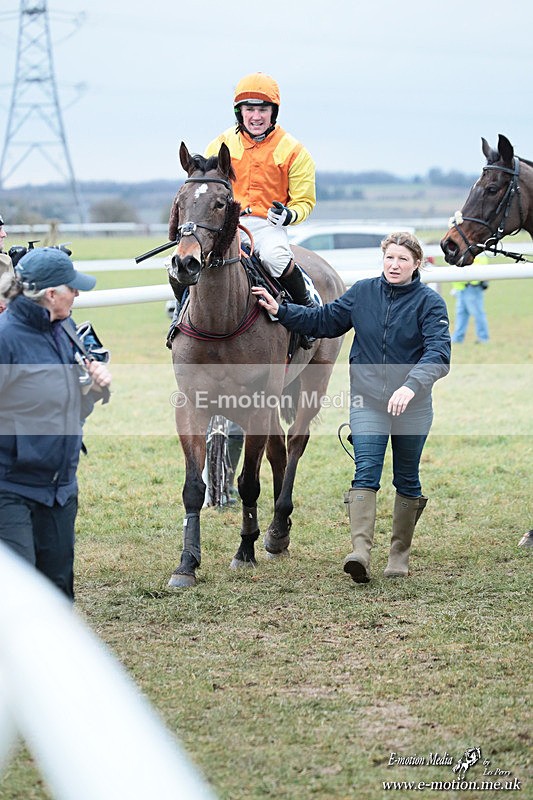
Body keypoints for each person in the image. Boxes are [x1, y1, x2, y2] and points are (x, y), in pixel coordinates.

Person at [252, 231, 451, 583]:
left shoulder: (430, 304)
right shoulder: (362, 293)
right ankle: (360, 553)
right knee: (365, 475)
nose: (394, 265)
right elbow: (323, 321)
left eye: (403, 259)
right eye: (390, 258)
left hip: (413, 406)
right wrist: (280, 310)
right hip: (368, 402)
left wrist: (410, 386)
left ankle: (399, 555)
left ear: (417, 264)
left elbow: (439, 354)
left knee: (407, 478)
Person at [169, 72, 318, 348]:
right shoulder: (219, 144)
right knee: (177, 262)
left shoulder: (294, 151)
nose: (256, 116)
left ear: (273, 112)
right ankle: (180, 311)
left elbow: (305, 201)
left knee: (275, 258)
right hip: (224, 224)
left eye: (263, 110)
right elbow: (206, 188)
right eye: (249, 109)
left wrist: (288, 214)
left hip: (267, 226)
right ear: (240, 112)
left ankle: (307, 312)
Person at [0, 247, 112, 600]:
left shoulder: (65, 328)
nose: (77, 293)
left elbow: (73, 409)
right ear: (51, 294)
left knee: (58, 593)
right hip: (11, 490)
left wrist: (93, 387)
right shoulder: (5, 339)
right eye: (71, 287)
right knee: (19, 597)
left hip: (60, 489)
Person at [450, 255, 490, 344]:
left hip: (472, 286)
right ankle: (458, 338)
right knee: (461, 313)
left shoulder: (477, 253)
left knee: (477, 313)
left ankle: (483, 338)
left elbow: (479, 265)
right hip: (461, 287)